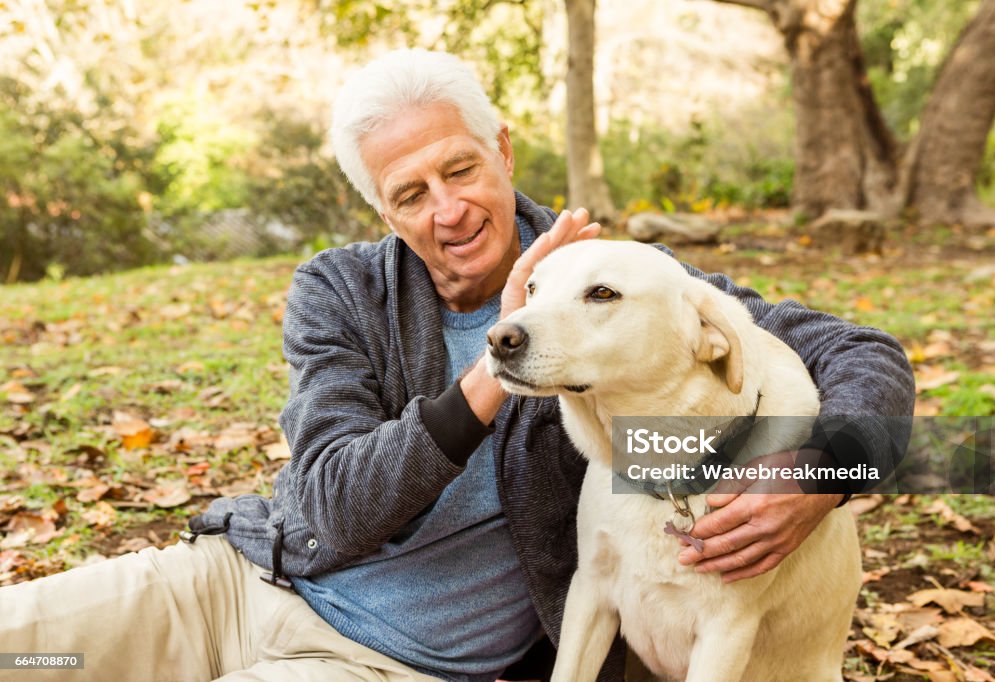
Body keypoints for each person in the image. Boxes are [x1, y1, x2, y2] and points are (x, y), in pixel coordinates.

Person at [0, 49, 914, 682]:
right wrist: (497, 366)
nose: (448, 210)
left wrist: (823, 474)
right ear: (384, 212)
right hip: (235, 583)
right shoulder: (342, 291)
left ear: (504, 151)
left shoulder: (620, 293)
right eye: (410, 194)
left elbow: (859, 349)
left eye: (461, 169)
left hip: (377, 661)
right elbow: (333, 505)